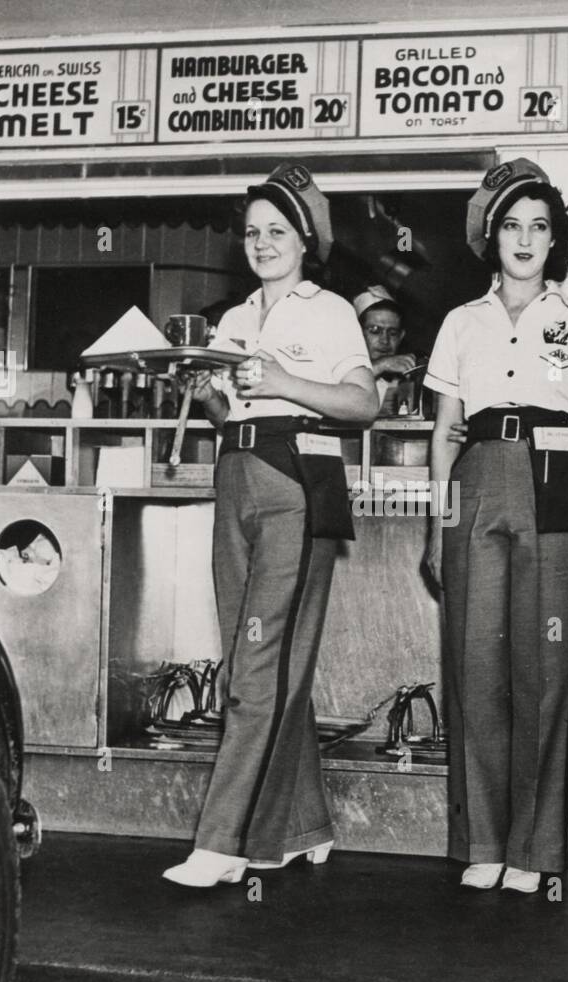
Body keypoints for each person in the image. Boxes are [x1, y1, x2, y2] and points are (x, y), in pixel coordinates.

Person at [162, 164, 379, 888]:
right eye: (252, 232)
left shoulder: (331, 311)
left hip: (297, 482)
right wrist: (206, 393)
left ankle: (225, 843)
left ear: (306, 239)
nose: (262, 242)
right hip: (237, 474)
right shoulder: (234, 318)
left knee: (258, 669)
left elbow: (362, 403)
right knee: (260, 661)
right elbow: (235, 413)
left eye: (277, 231)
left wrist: (284, 380)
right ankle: (306, 826)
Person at [424, 159, 568, 893]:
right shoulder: (460, 323)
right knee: (478, 672)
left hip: (554, 490)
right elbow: (445, 433)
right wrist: (438, 525)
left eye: (539, 225)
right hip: (476, 484)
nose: (525, 238)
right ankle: (483, 843)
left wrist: (549, 444)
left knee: (544, 672)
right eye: (512, 225)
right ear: (492, 236)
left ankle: (537, 853)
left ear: (555, 238)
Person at [352, 285, 418, 414]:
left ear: (401, 337)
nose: (385, 340)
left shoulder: (402, 383)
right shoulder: (332, 370)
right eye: (375, 331)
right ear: (357, 333)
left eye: (392, 333)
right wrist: (381, 365)